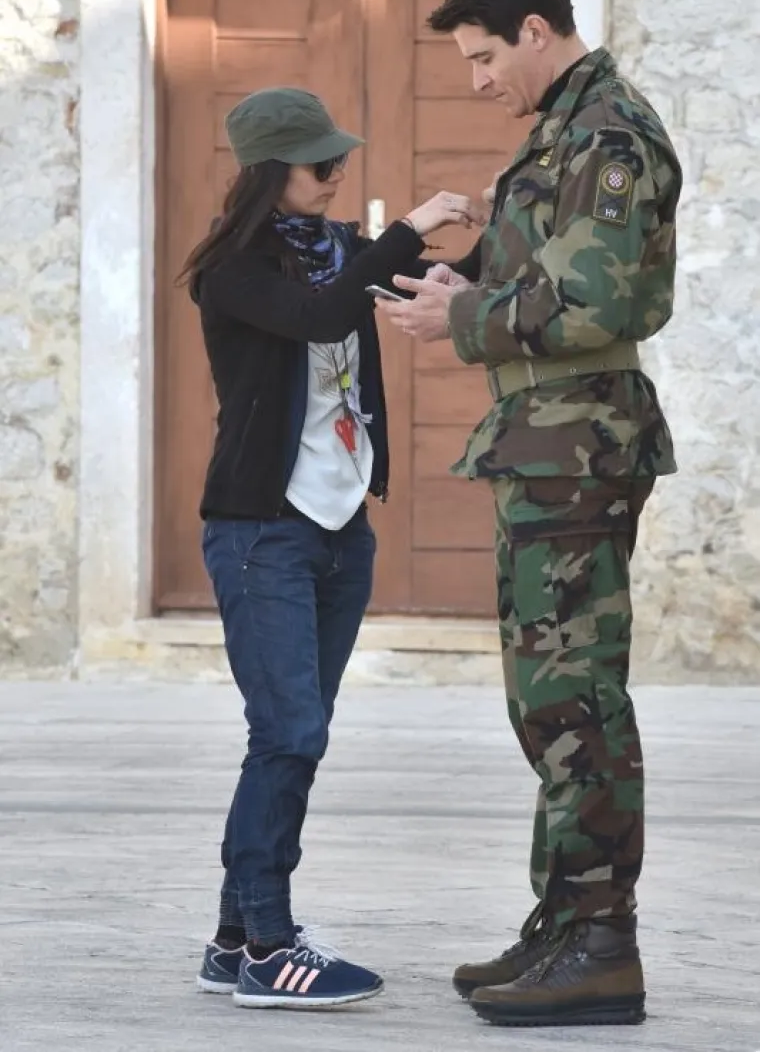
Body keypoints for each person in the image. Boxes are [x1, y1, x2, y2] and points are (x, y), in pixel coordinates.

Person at [377, 0, 682, 1028]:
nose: (475, 80)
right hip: (545, 440)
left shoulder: (604, 133)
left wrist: (460, 319)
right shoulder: (564, 129)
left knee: (574, 697)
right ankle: (563, 922)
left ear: (537, 34)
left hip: (578, 444)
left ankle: (603, 943)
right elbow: (552, 282)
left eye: (482, 56)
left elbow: (596, 297)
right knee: (541, 697)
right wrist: (475, 288)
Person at [178, 87, 481, 1011]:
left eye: (340, 158)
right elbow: (317, 316)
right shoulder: (231, 269)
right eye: (320, 163)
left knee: (292, 740)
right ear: (273, 171)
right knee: (289, 732)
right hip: (259, 531)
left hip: (342, 531)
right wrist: (408, 230)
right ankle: (271, 944)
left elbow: (411, 278)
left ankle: (234, 940)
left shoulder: (342, 248)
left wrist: (502, 216)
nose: (338, 173)